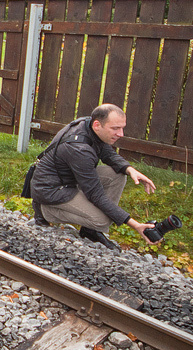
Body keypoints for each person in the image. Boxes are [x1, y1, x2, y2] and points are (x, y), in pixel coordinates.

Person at [30, 103, 157, 249]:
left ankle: (91, 231)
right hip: (51, 189)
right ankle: (44, 211)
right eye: (115, 128)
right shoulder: (79, 150)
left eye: (122, 128)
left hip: (70, 178)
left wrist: (130, 169)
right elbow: (96, 195)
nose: (121, 134)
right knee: (103, 220)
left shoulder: (88, 124)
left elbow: (106, 152)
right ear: (97, 125)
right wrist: (136, 225)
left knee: (117, 175)